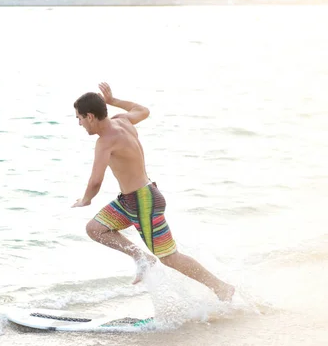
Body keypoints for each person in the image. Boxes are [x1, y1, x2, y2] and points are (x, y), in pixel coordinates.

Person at [71, 82, 235, 302]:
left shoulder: (105, 141)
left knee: (170, 257)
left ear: (90, 116)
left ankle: (220, 287)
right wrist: (113, 101)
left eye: (79, 118)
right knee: (95, 229)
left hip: (143, 202)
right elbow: (143, 110)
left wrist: (85, 200)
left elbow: (95, 182)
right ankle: (141, 257)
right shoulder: (123, 121)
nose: (79, 124)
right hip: (132, 200)